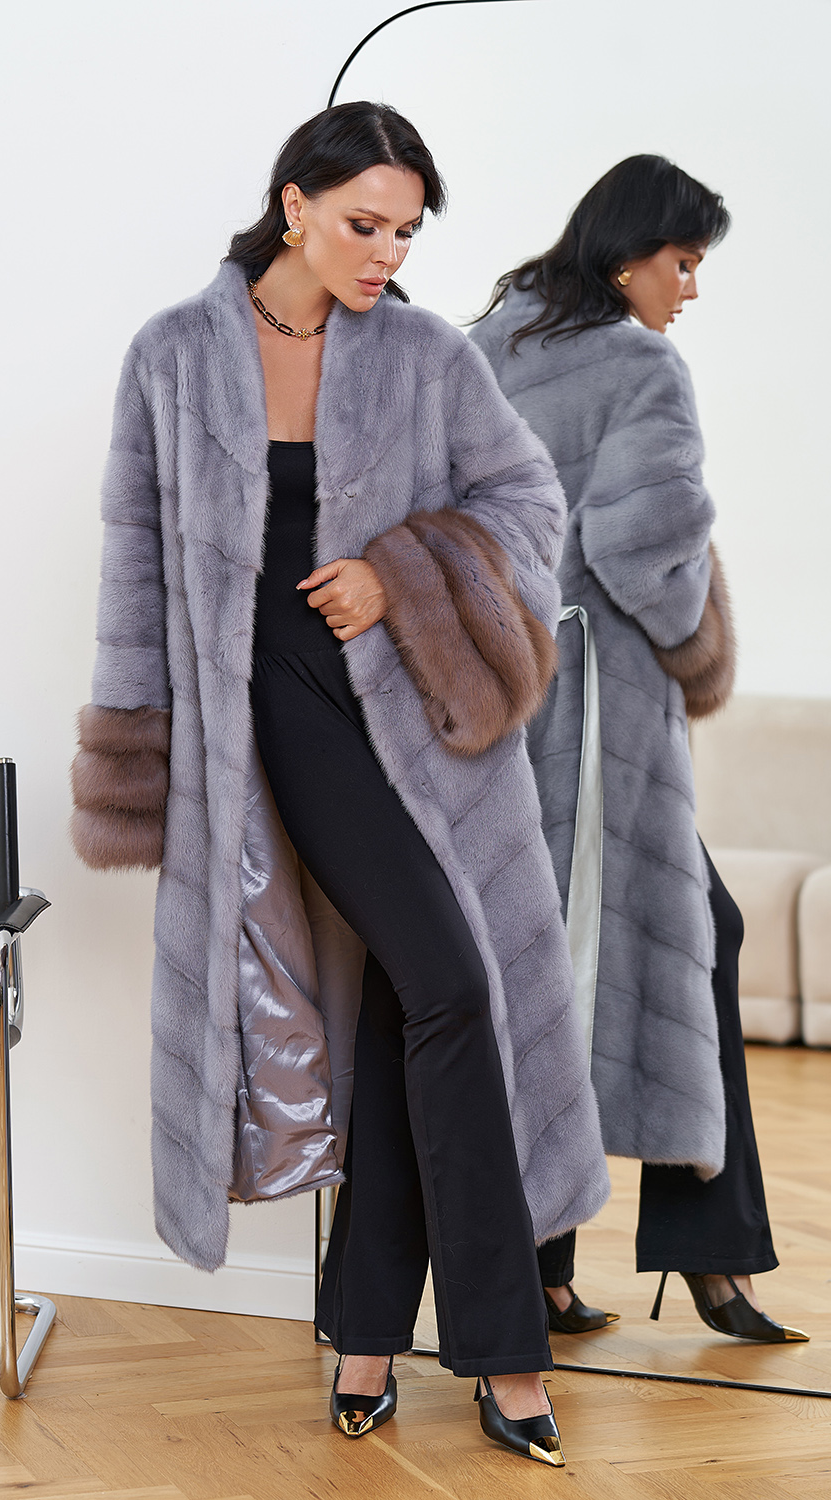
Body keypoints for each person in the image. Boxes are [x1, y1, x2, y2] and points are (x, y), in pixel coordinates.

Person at [70, 101, 609, 1465]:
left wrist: (398, 573)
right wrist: (142, 760)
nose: (386, 254)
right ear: (294, 204)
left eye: (406, 233)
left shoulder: (426, 355)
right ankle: (506, 1355)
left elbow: (530, 507)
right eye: (365, 224)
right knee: (449, 984)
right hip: (272, 713)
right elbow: (136, 570)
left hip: (420, 721)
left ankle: (367, 1333)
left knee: (407, 1004)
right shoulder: (175, 356)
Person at [471, 154, 807, 1345]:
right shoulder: (640, 365)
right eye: (684, 262)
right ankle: (713, 1259)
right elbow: (646, 558)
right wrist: (697, 635)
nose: (690, 289)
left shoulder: (485, 346)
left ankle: (544, 1266)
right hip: (604, 720)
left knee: (540, 972)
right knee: (689, 939)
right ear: (629, 258)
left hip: (503, 711)